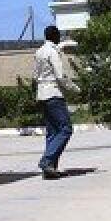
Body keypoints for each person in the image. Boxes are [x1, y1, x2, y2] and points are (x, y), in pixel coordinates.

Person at [34, 24, 75, 179]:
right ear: (56, 36)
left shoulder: (39, 52)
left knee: (52, 132)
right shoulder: (53, 51)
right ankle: (47, 161)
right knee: (65, 129)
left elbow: (35, 76)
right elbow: (60, 75)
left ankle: (50, 169)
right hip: (53, 94)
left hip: (42, 95)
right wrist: (74, 88)